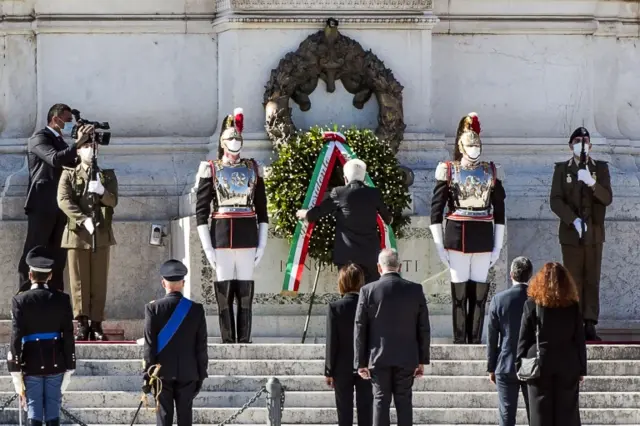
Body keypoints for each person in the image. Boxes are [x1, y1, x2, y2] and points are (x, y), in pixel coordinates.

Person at [430, 112, 507, 344]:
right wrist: (439, 244)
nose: (474, 148)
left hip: (483, 236)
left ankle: (474, 339)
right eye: (469, 144)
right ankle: (459, 339)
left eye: (477, 144)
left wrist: (498, 245)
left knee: (480, 293)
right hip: (457, 236)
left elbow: (500, 213)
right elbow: (436, 211)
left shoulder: (491, 171)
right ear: (461, 146)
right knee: (459, 293)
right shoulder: (449, 170)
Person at [195, 107, 268, 344]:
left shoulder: (253, 168)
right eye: (230, 138)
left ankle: (244, 338)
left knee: (245, 292)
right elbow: (201, 212)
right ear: (222, 142)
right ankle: (228, 338)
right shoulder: (211, 168)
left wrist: (262, 241)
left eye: (237, 137)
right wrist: (207, 246)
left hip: (247, 235)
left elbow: (262, 210)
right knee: (224, 291)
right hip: (222, 237)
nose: (235, 141)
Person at [297, 131, 393, 284]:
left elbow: (318, 212)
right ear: (364, 176)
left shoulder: (339, 192)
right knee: (368, 295)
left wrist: (304, 214)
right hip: (370, 255)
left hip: (347, 256)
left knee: (349, 293)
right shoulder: (374, 193)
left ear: (345, 177)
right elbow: (387, 219)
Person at [18, 104, 94, 292]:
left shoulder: (61, 141)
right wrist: (77, 144)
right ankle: (24, 295)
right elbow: (54, 159)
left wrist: (86, 147)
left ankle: (54, 297)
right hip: (42, 204)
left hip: (63, 204)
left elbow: (74, 164)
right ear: (55, 119)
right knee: (34, 250)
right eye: (67, 120)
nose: (70, 125)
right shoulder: (39, 138)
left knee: (58, 255)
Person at [354, 249, 431, 426]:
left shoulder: (367, 291)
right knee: (404, 402)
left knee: (380, 401)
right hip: (407, 357)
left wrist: (361, 362)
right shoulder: (415, 290)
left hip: (378, 357)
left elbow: (360, 328)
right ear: (400, 267)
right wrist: (422, 360)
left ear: (379, 268)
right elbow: (423, 327)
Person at [549, 126, 612, 341]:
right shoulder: (562, 169)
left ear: (591, 145)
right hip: (571, 233)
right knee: (573, 278)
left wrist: (592, 183)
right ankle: (573, 321)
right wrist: (572, 219)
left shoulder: (600, 169)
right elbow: (555, 200)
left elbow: (607, 198)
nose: (581, 144)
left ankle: (590, 322)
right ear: (570, 146)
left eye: (585, 141)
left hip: (594, 233)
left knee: (592, 278)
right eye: (577, 141)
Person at [8, 246, 76, 426]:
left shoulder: (20, 300)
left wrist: (15, 369)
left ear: (30, 275)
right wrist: (70, 365)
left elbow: (16, 337)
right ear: (50, 275)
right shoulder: (62, 299)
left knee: (34, 411)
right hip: (56, 362)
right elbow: (68, 335)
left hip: (31, 363)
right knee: (53, 412)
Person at [57, 139, 118, 341]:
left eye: (93, 147)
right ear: (79, 150)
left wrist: (101, 190)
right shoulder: (69, 174)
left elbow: (113, 201)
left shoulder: (106, 175)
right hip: (77, 235)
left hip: (100, 235)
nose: (90, 151)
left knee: (99, 281)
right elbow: (63, 200)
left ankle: (97, 323)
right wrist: (83, 220)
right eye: (86, 147)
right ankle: (82, 323)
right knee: (79, 281)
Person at [516, 262, 587, 426]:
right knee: (567, 412)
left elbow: (524, 338)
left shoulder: (532, 305)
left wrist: (518, 364)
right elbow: (579, 340)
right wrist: (582, 368)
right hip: (568, 363)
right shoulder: (573, 307)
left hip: (539, 362)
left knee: (539, 411)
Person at [143, 259, 208, 426]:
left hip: (161, 373)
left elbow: (149, 346)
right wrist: (201, 374)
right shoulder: (196, 309)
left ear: (163, 283)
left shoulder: (153, 309)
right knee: (185, 418)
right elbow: (201, 347)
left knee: (164, 418)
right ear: (183, 283)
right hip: (189, 372)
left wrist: (147, 376)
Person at [487, 256, 533, 426]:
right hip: (531, 362)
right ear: (530, 275)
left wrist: (491, 366)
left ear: (511, 274)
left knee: (506, 416)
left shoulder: (499, 300)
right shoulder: (537, 300)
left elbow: (492, 337)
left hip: (505, 363)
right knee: (534, 414)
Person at [325, 264, 373, 426]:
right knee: (366, 410)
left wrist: (329, 370)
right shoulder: (368, 306)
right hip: (365, 364)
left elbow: (332, 342)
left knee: (344, 411)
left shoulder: (335, 307)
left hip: (341, 367)